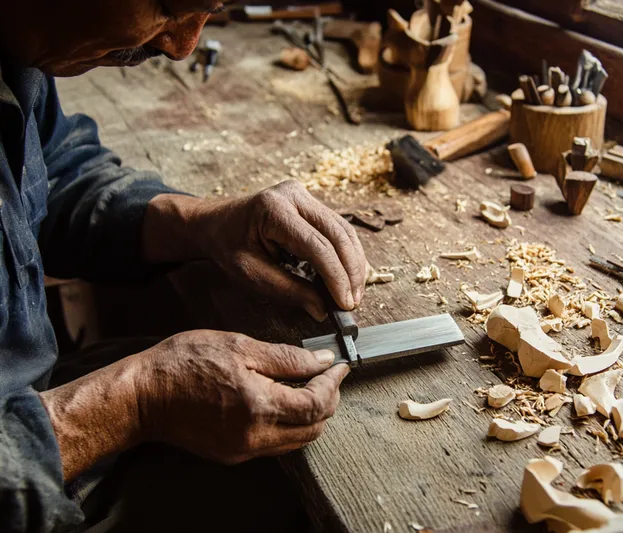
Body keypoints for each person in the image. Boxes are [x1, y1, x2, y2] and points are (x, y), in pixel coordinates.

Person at [0, 1, 368, 531]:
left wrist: (201, 222)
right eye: (170, 7)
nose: (183, 45)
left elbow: (53, 174)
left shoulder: (23, 42)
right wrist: (136, 401)